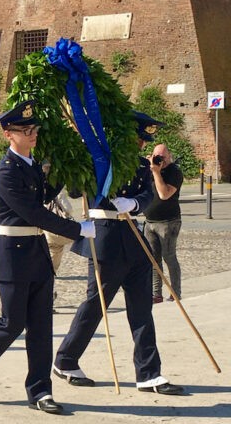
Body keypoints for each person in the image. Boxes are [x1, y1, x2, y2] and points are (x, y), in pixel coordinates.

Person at [0, 101, 95, 414]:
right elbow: (33, 212)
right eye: (25, 130)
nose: (32, 134)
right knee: (12, 322)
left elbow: (44, 196)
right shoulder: (5, 174)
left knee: (41, 325)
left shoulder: (31, 165)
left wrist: (68, 168)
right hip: (13, 257)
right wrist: (78, 229)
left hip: (36, 254)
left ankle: (40, 391)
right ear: (9, 134)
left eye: (34, 129)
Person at [53, 112, 185, 395]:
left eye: (144, 140)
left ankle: (148, 373)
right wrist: (83, 159)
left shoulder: (139, 164)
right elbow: (76, 191)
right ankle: (65, 360)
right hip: (105, 237)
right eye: (137, 139)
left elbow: (149, 194)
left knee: (142, 308)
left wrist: (134, 204)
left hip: (133, 237)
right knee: (95, 305)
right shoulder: (100, 159)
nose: (141, 145)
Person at [144, 142, 183, 303]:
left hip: (168, 222)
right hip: (150, 221)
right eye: (157, 156)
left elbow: (164, 194)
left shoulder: (174, 172)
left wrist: (156, 172)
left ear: (169, 156)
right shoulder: (151, 170)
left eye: (163, 157)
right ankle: (156, 294)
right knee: (153, 260)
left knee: (169, 257)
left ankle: (175, 293)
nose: (160, 160)